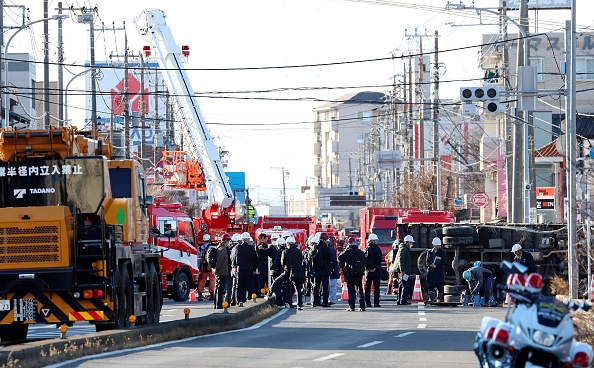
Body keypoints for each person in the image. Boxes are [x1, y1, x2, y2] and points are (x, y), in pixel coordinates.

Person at [231, 232, 258, 307]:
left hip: (240, 268)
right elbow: (255, 259)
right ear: (248, 239)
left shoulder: (237, 247)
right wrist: (254, 269)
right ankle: (249, 299)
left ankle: (239, 301)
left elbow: (234, 258)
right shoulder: (251, 248)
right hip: (249, 268)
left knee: (239, 286)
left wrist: (234, 266)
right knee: (249, 285)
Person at [338, 238, 366, 311]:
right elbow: (365, 261)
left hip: (350, 273)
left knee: (351, 291)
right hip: (359, 273)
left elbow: (340, 258)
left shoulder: (348, 252)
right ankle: (362, 306)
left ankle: (352, 306)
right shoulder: (361, 252)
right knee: (360, 290)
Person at [280, 236, 305, 310]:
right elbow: (301, 261)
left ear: (287, 243)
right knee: (298, 289)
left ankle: (289, 303)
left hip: (288, 271)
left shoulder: (285, 251)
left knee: (288, 288)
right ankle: (299, 304)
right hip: (297, 271)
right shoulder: (299, 251)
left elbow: (282, 262)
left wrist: (285, 268)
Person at [308, 232, 332, 307]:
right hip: (325, 270)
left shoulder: (315, 247)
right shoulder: (326, 248)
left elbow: (310, 258)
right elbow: (330, 258)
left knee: (316, 286)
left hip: (316, 270)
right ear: (325, 240)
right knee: (325, 286)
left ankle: (315, 301)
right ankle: (325, 302)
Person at [212, 233, 232, 309]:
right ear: (226, 241)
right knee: (220, 288)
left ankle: (216, 303)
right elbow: (220, 261)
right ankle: (219, 304)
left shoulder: (218, 247)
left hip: (219, 271)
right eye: (228, 241)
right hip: (222, 271)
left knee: (217, 287)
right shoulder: (223, 249)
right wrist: (216, 270)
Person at [394, 234, 414, 305]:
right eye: (411, 243)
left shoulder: (403, 249)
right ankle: (403, 300)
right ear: (408, 242)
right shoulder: (404, 250)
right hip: (403, 271)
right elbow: (401, 261)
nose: (411, 244)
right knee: (405, 285)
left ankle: (399, 300)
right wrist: (402, 271)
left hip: (402, 271)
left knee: (401, 285)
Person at [364, 233, 383, 308]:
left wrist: (367, 268)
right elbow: (379, 260)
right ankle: (376, 302)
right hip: (376, 271)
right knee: (376, 288)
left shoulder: (366, 249)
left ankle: (367, 302)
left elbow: (364, 260)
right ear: (374, 241)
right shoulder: (377, 249)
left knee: (367, 287)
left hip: (368, 272)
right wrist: (375, 267)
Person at [426, 237, 446, 302]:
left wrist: (437, 266)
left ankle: (439, 298)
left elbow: (444, 262)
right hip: (431, 272)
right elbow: (427, 261)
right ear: (433, 245)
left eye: (439, 245)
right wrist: (430, 265)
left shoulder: (442, 252)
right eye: (436, 245)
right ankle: (430, 297)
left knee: (439, 285)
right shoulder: (429, 252)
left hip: (439, 271)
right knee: (430, 285)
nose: (438, 247)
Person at [197, 234, 216, 301]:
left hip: (203, 266)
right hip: (210, 266)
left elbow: (198, 258)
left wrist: (199, 267)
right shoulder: (212, 248)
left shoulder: (200, 248)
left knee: (202, 280)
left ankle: (200, 294)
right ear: (209, 240)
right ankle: (212, 294)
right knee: (212, 279)